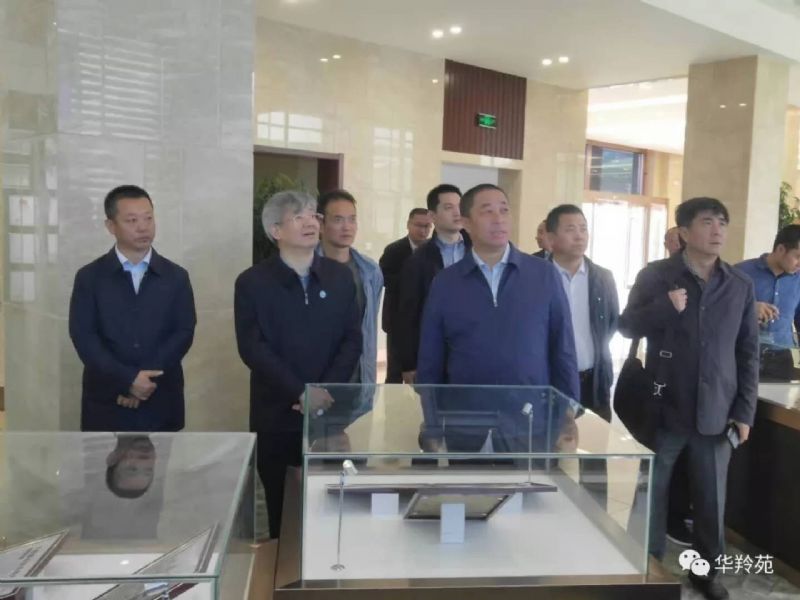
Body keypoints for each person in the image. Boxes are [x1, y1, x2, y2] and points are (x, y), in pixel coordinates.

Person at [619, 197, 758, 600]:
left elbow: (747, 352)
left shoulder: (739, 285)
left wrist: (744, 412)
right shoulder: (656, 276)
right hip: (663, 406)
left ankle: (705, 572)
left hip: (716, 411)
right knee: (652, 494)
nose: (717, 231)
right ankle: (648, 570)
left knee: (711, 500)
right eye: (707, 222)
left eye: (722, 223)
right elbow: (626, 326)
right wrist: (665, 307)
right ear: (683, 231)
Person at [234, 190, 361, 538]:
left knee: (331, 510)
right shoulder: (252, 282)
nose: (310, 223)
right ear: (276, 230)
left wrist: (324, 391)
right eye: (298, 217)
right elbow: (252, 347)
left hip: (329, 413)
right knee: (282, 510)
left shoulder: (339, 277)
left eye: (313, 215)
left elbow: (352, 339)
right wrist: (299, 392)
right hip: (276, 412)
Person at [416, 184, 579, 450]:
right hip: (466, 422)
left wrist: (567, 416)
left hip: (529, 422)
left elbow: (563, 347)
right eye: (487, 211)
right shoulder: (446, 283)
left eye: (504, 210)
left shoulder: (543, 275)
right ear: (466, 222)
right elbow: (430, 359)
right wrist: (432, 422)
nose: (498, 218)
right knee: (469, 479)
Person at [69, 185, 196, 432]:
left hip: (161, 398)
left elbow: (183, 332)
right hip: (107, 401)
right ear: (111, 226)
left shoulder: (176, 277)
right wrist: (127, 380)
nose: (143, 227)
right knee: (103, 459)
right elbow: (84, 337)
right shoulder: (90, 277)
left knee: (162, 460)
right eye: (132, 220)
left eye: (148, 218)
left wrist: (143, 380)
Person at [546, 204, 618, 422]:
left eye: (583, 229)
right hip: (548, 383)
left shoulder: (603, 278)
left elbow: (611, 324)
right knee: (549, 442)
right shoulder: (535, 276)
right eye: (570, 229)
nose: (579, 236)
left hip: (593, 382)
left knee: (594, 442)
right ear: (551, 238)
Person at [396, 184, 469, 384]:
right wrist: (409, 363)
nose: (457, 212)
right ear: (432, 216)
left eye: (459, 206)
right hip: (436, 350)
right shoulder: (418, 260)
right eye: (448, 207)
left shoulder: (477, 250)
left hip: (474, 349)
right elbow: (408, 314)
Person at [317, 189, 383, 387]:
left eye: (352, 219)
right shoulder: (306, 269)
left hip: (359, 375)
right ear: (321, 224)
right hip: (318, 374)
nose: (347, 227)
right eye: (338, 220)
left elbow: (368, 323)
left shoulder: (370, 270)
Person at [379, 208, 432, 383]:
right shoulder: (394, 250)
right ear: (408, 224)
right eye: (419, 225)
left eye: (427, 226)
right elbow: (384, 278)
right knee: (394, 372)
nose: (423, 231)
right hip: (397, 320)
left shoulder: (433, 251)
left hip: (424, 320)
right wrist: (411, 281)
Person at [737, 224, 800, 350]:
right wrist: (748, 308)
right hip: (745, 352)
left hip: (783, 354)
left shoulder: (798, 280)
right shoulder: (740, 273)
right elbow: (719, 310)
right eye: (798, 257)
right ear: (781, 249)